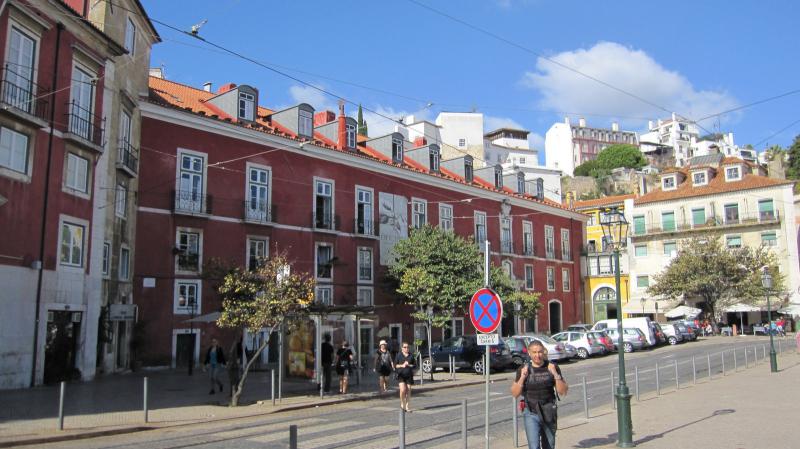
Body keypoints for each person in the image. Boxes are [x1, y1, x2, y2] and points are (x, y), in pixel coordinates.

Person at [510, 340, 568, 449]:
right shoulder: (523, 369)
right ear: (529, 353)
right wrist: (522, 377)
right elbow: (514, 393)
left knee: (549, 445)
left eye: (540, 352)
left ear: (544, 352)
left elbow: (563, 391)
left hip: (549, 410)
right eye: (534, 352)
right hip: (531, 412)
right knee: (534, 446)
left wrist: (555, 374)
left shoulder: (552, 367)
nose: (537, 355)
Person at [395, 342, 415, 412]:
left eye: (407, 347)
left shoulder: (411, 356)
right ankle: (402, 403)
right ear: (402, 348)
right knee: (403, 390)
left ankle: (407, 406)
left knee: (409, 390)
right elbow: (396, 365)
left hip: (409, 375)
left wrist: (409, 365)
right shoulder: (399, 355)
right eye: (405, 347)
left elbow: (414, 365)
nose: (406, 349)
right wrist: (402, 365)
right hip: (401, 374)